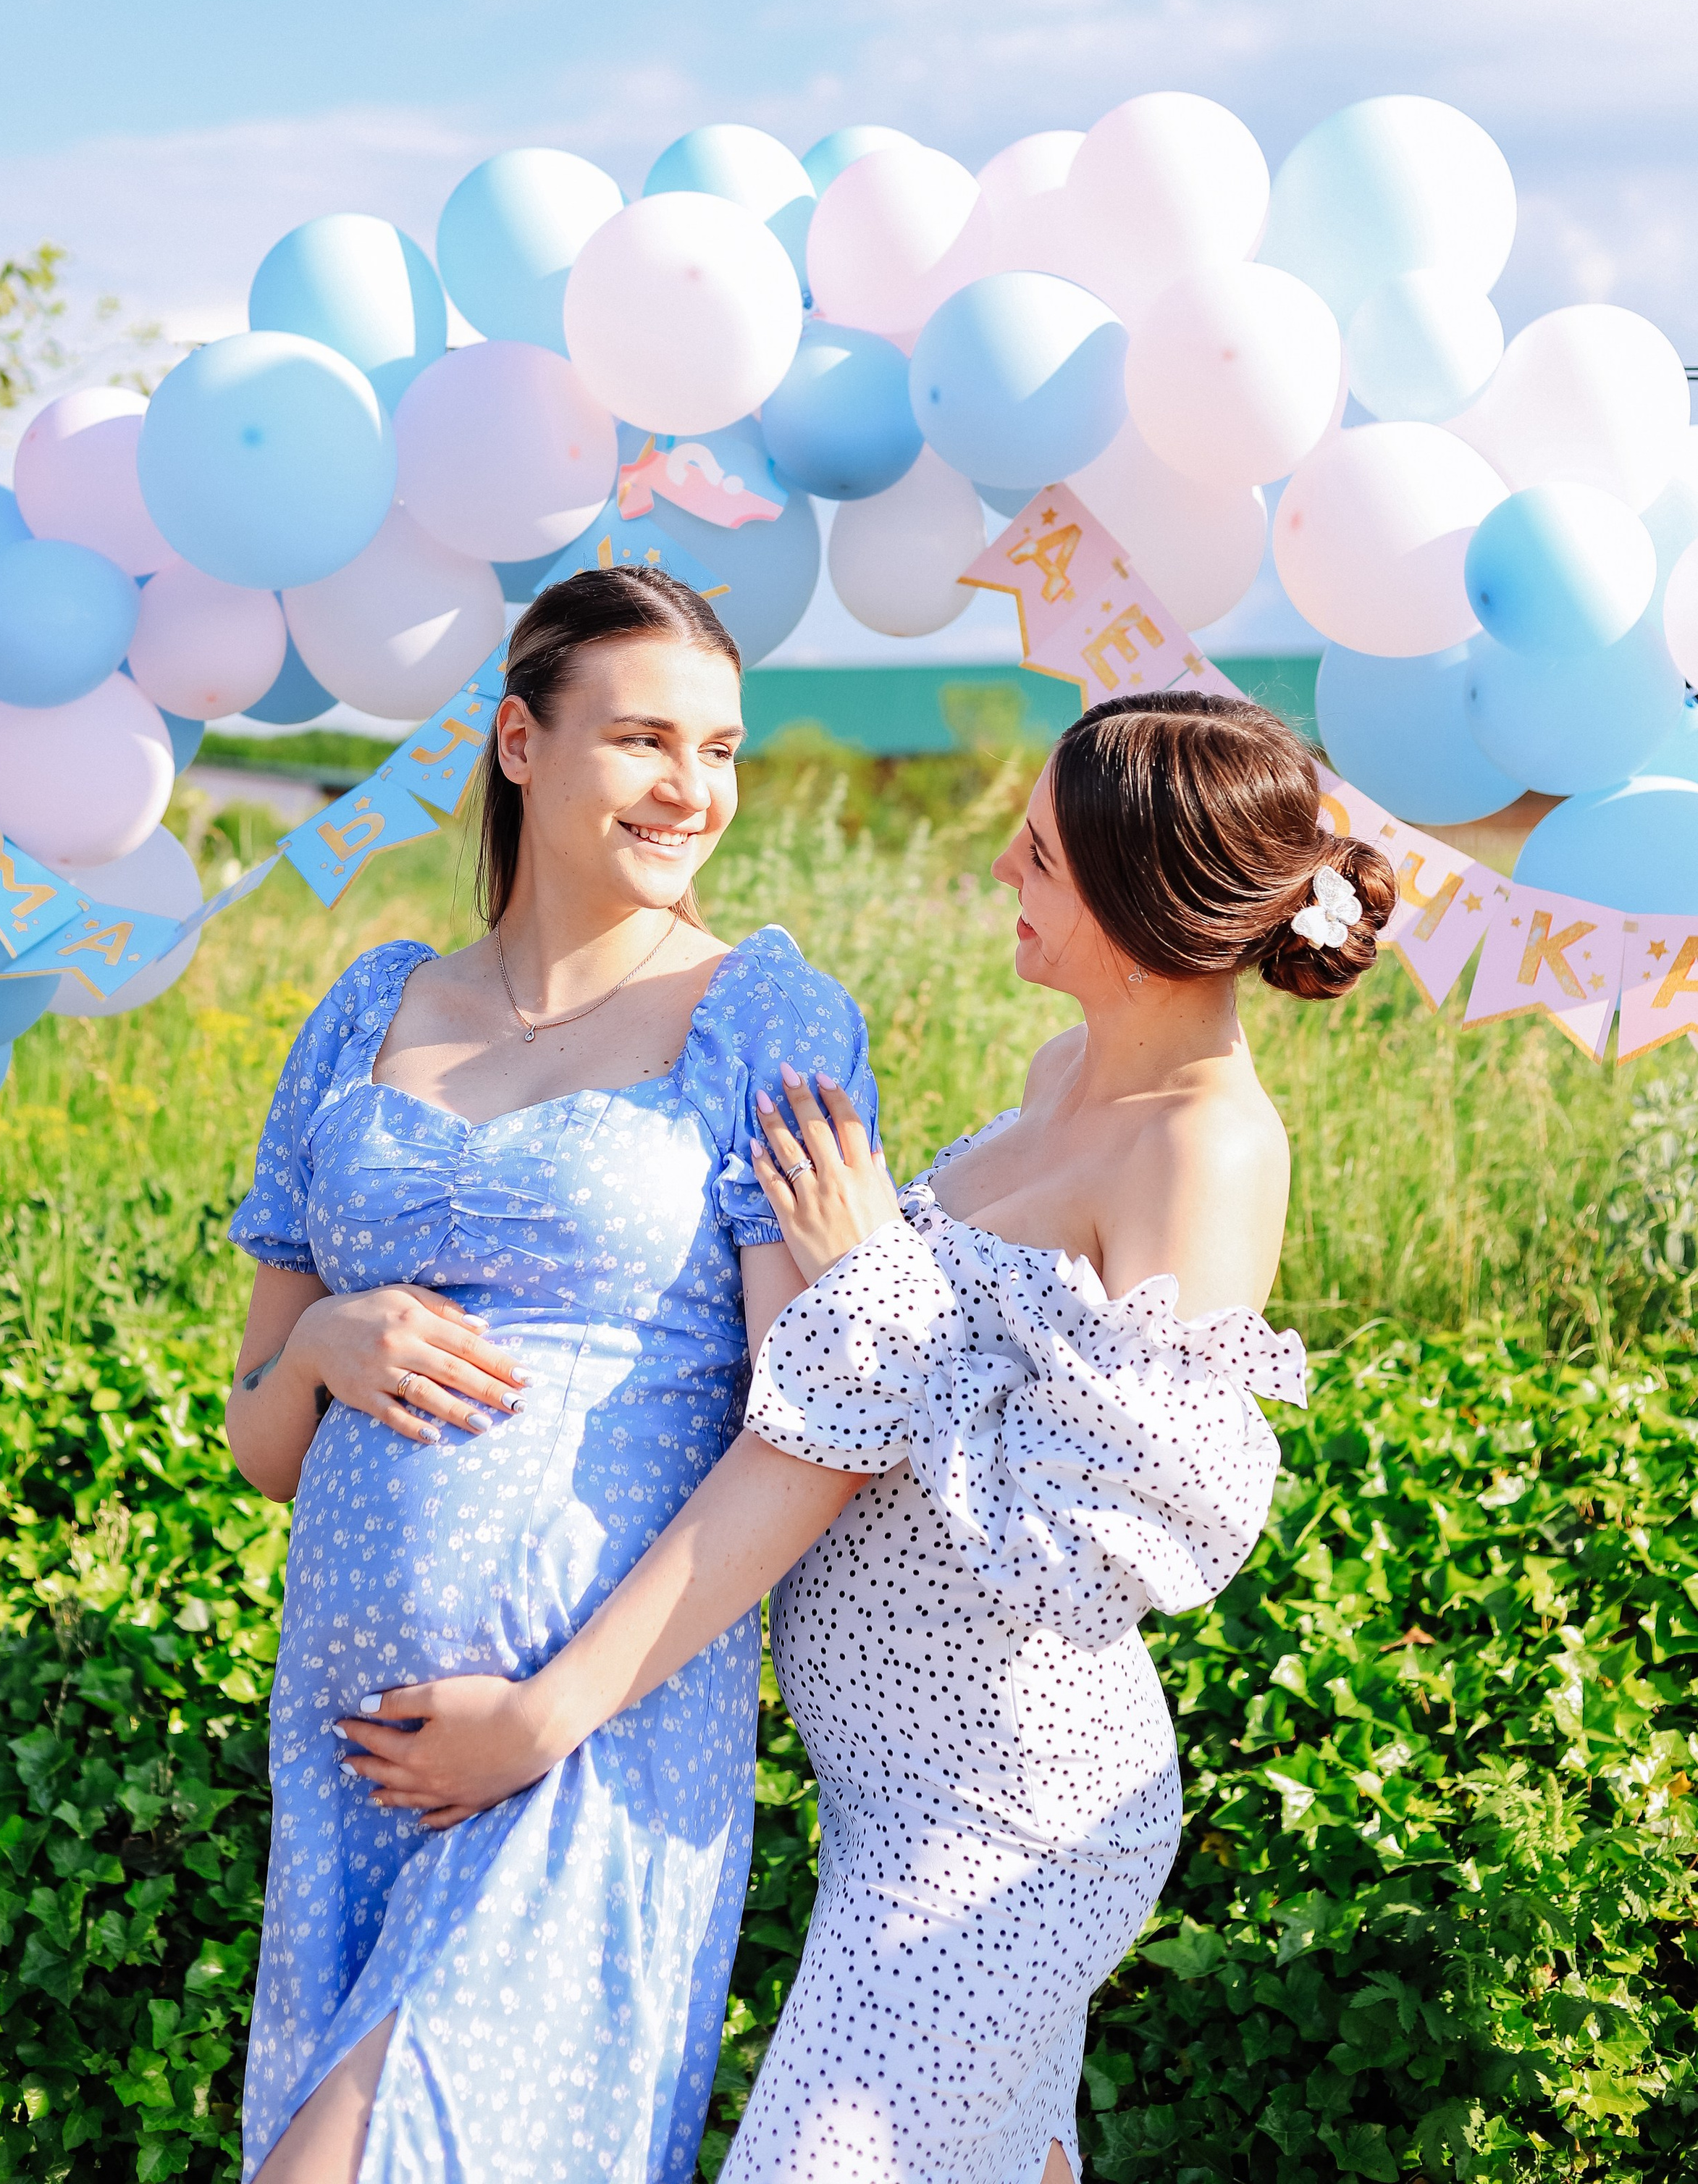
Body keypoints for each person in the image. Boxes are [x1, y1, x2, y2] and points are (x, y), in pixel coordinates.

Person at [339, 691, 1395, 2184]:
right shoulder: (1056, 1082)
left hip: (1007, 1814)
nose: (997, 878)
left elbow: (1087, 1538)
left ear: (1132, 888)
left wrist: (870, 1279)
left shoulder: (1204, 1145)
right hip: (892, 1794)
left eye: (1033, 855)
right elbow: (862, 1387)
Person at [224, 566, 878, 2184]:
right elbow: (260, 1439)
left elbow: (813, 1429)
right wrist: (317, 1339)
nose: (693, 790)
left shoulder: (765, 1017)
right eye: (645, 740)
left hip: (583, 1732)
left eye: (720, 748)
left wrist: (543, 1717)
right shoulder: (370, 1009)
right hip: (350, 1745)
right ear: (519, 740)